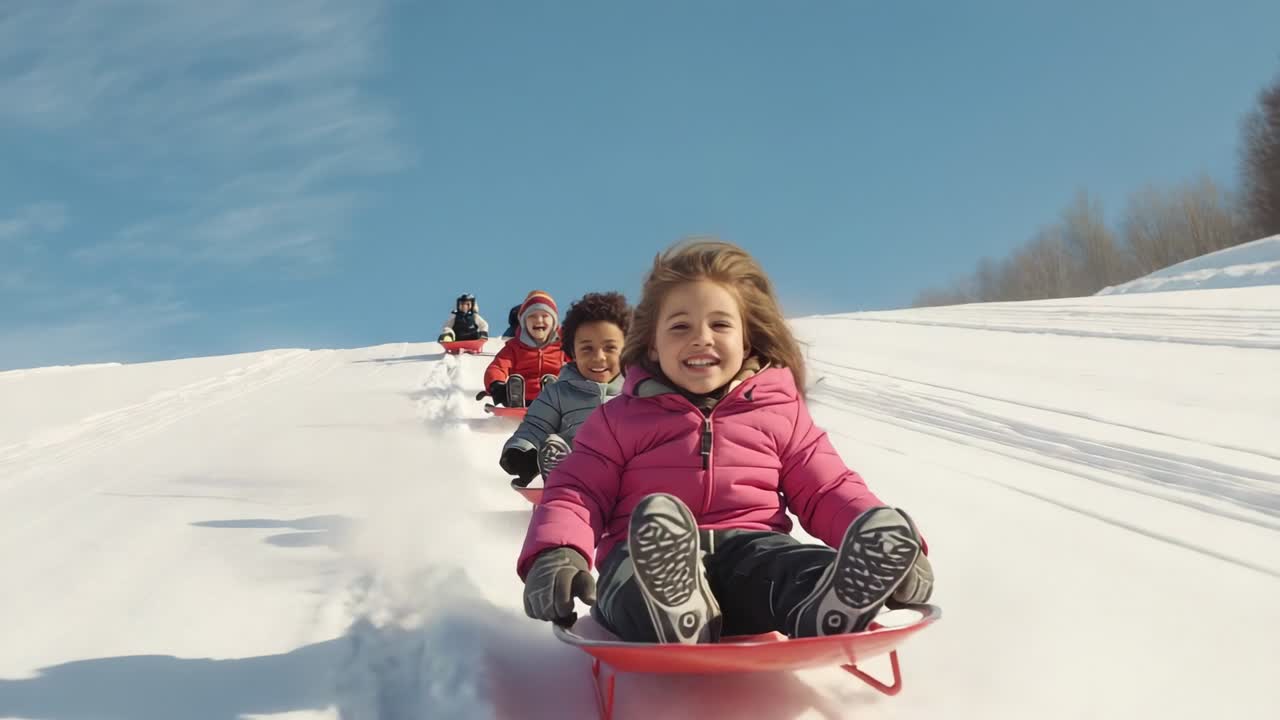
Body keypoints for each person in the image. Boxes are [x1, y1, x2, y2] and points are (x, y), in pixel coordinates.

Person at [516, 239, 934, 645]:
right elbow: (577, 490)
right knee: (632, 580)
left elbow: (829, 488)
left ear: (747, 340)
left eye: (719, 324)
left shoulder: (779, 414)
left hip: (751, 550)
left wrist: (898, 546)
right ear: (653, 347)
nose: (701, 338)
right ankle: (671, 612)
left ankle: (824, 601)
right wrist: (558, 552)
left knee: (795, 567)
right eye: (680, 326)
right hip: (642, 555)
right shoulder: (617, 420)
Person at [499, 292, 632, 486]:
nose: (599, 357)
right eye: (587, 348)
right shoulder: (558, 393)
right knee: (562, 448)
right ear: (572, 352)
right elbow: (535, 426)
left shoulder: (638, 393)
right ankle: (559, 471)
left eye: (610, 348)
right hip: (576, 473)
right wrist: (523, 452)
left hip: (628, 475)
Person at [479, 290, 569, 408]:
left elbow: (579, 365)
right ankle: (514, 398)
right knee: (514, 384)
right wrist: (496, 384)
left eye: (545, 315)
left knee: (560, 380)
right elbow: (497, 367)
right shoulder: (514, 347)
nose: (539, 320)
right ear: (524, 322)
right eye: (532, 316)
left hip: (556, 397)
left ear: (554, 322)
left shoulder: (563, 346)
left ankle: (552, 396)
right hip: (523, 397)